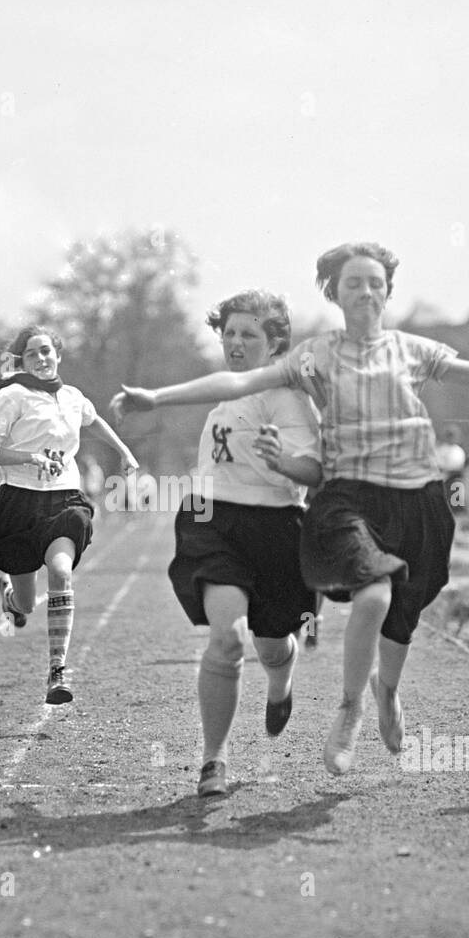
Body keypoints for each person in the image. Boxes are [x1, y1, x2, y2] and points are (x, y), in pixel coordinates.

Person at [112, 241, 469, 775]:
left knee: (402, 617)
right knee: (373, 595)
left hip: (418, 496)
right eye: (353, 282)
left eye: (376, 282)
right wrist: (157, 398)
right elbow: (238, 382)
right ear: (335, 291)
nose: (366, 291)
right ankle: (348, 710)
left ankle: (386, 692)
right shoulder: (316, 355)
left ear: (388, 290)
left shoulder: (413, 349)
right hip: (352, 494)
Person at [166, 291, 321, 797]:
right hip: (213, 523)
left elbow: (316, 471)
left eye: (249, 334)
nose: (235, 342)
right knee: (227, 638)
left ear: (274, 343)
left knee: (272, 644)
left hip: (276, 528)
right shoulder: (223, 395)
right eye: (229, 332)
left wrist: (281, 463)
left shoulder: (288, 396)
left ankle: (280, 683)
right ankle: (214, 760)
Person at [0, 325, 139, 705]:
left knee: (61, 572)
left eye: (46, 351)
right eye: (32, 353)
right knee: (25, 602)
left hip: (64, 501)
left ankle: (57, 670)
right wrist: (29, 457)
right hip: (19, 503)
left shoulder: (71, 397)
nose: (41, 359)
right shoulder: (12, 396)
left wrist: (124, 451)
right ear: (22, 360)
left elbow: (93, 420)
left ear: (58, 354)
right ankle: (12, 600)